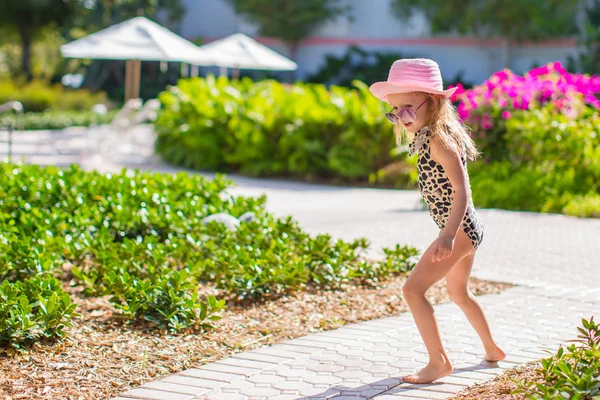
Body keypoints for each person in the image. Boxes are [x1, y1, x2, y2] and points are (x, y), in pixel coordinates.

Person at [368, 58, 506, 384]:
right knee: (459, 293)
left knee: (413, 290)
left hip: (459, 230)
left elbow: (462, 191)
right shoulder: (430, 136)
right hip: (466, 229)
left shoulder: (439, 140)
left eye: (406, 109)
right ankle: (492, 349)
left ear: (430, 103)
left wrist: (447, 235)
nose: (400, 119)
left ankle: (438, 362)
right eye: (394, 112)